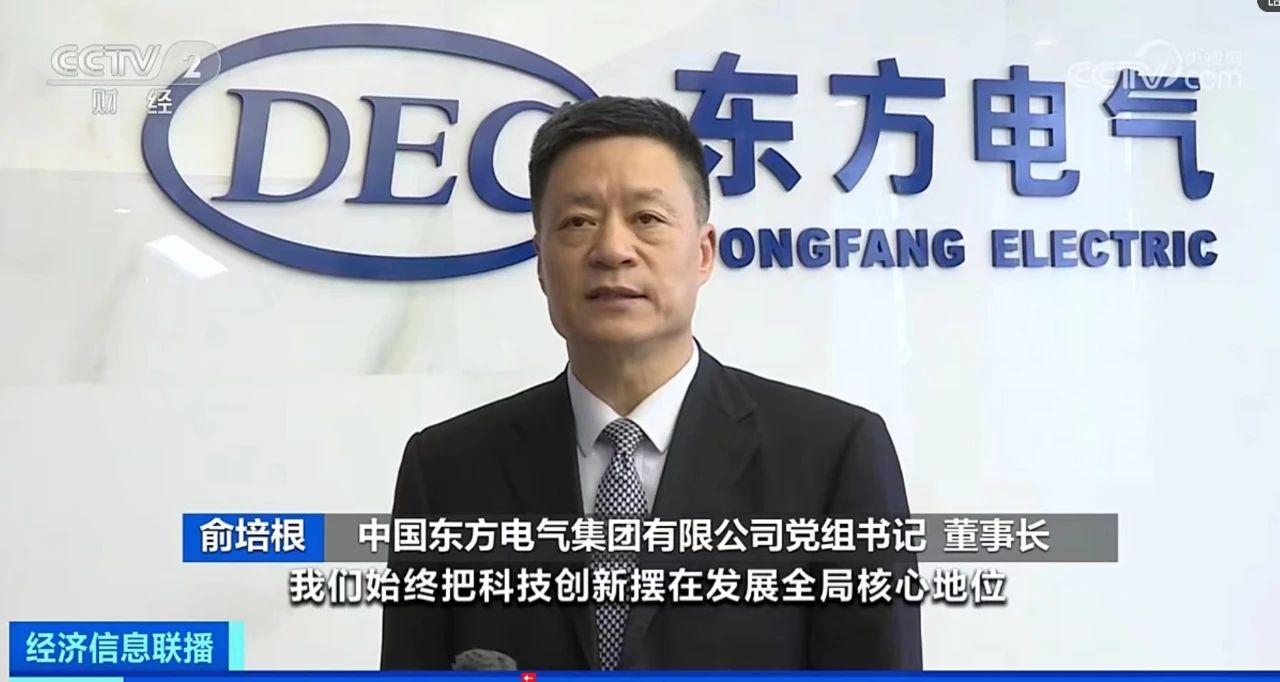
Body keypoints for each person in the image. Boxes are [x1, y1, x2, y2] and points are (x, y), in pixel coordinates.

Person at [380, 96, 922, 670]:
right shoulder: (447, 471)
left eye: (647, 219)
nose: (613, 250)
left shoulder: (834, 455)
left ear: (703, 253)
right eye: (578, 222)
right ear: (541, 262)